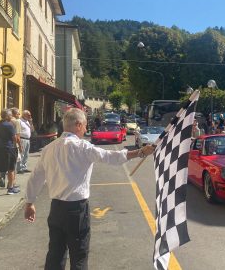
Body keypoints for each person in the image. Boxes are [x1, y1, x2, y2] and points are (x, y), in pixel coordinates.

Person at [24, 108, 154, 269]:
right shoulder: (82, 147)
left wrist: (29, 202)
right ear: (78, 125)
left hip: (56, 208)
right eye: (85, 125)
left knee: (55, 254)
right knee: (79, 255)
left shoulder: (50, 148)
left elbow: (36, 176)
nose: (86, 129)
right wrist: (141, 152)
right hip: (76, 209)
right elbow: (112, 157)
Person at [0, 109, 22, 195]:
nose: (12, 117)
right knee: (11, 169)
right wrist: (17, 146)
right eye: (11, 115)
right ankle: (10, 188)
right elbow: (15, 138)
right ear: (7, 116)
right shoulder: (9, 125)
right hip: (8, 149)